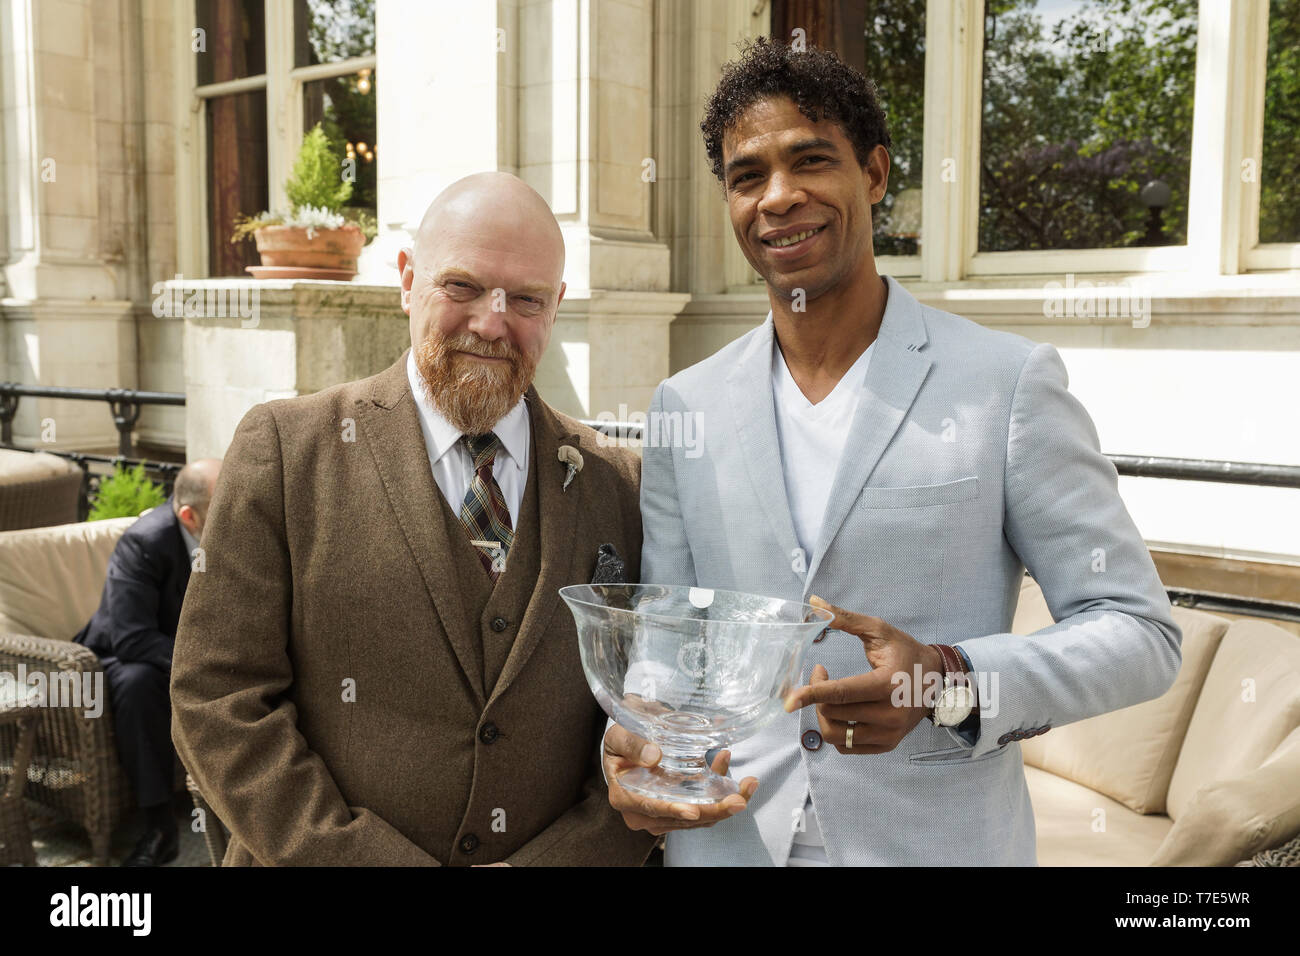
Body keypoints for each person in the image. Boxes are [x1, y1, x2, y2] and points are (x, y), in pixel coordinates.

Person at [602, 37, 1183, 866]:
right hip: (729, 844)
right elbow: (664, 641)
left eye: (811, 160)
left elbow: (1139, 632)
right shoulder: (683, 405)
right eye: (747, 176)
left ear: (873, 174)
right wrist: (636, 748)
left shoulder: (1008, 385)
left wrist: (946, 678)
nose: (779, 196)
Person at [170, 172, 656, 866]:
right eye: (462, 287)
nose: (492, 322)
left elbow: (647, 716)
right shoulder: (285, 449)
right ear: (406, 280)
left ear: (556, 306)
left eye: (525, 299)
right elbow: (217, 699)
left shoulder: (618, 481)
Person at [74, 458, 222, 866]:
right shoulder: (145, 541)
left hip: (187, 651)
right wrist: (204, 668)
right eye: (224, 503)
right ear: (189, 515)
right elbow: (131, 637)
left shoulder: (231, 534)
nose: (236, 510)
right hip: (121, 654)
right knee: (138, 684)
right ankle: (159, 829)